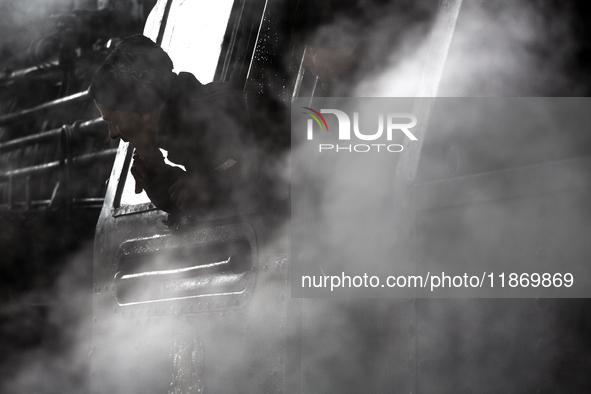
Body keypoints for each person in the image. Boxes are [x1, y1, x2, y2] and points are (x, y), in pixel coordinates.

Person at [89, 34, 253, 215]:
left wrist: (211, 184)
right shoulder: (186, 130)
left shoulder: (218, 110)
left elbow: (266, 171)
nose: (112, 133)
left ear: (142, 110)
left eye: (113, 121)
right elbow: (197, 208)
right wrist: (157, 175)